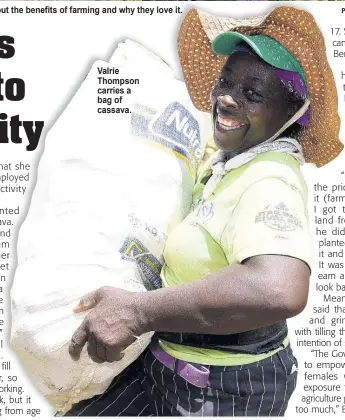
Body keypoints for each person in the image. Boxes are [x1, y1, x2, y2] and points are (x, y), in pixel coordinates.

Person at [65, 6, 343, 417]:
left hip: (222, 390)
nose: (227, 98)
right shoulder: (232, 161)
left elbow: (279, 288)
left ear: (290, 115)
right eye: (226, 81)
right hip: (164, 362)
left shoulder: (269, 178)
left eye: (254, 94)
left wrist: (138, 312)